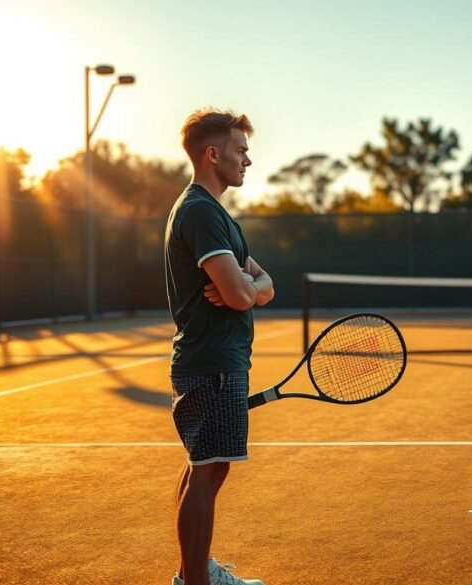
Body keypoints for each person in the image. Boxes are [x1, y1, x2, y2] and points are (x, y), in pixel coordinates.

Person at [165, 108, 274, 585]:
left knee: (205, 470)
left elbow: (262, 285)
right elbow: (240, 292)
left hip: (217, 361)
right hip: (212, 364)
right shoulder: (201, 213)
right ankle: (196, 582)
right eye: (240, 150)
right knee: (207, 474)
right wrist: (247, 288)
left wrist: (252, 286)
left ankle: (192, 572)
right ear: (213, 154)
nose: (248, 160)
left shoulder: (215, 214)